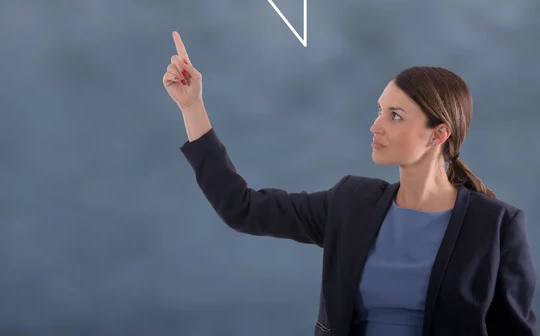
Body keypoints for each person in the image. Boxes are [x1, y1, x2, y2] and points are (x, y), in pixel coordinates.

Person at [163, 31, 538, 336]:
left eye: (394, 115)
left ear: (438, 134)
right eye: (379, 110)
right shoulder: (351, 203)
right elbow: (241, 208)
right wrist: (192, 107)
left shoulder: (496, 227)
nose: (376, 125)